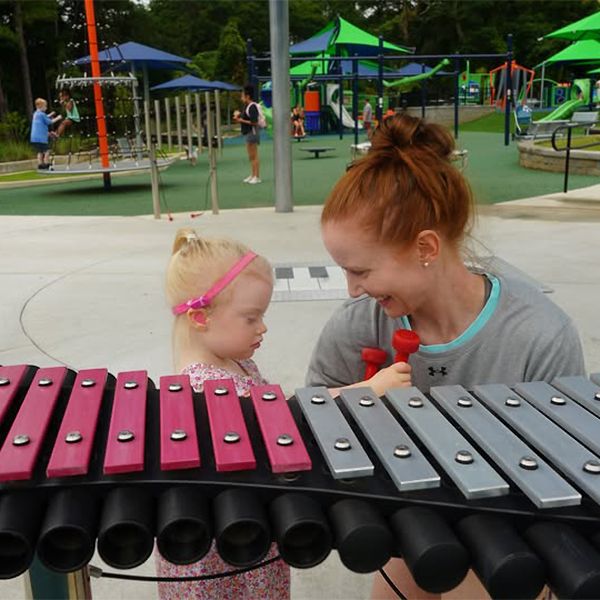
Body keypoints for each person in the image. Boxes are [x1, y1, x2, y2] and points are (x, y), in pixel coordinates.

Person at [305, 113, 585, 599]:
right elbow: (306, 424)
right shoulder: (358, 322)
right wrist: (356, 399)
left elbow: (567, 488)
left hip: (509, 534)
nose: (352, 289)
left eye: (361, 270)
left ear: (426, 248)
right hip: (406, 525)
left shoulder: (539, 334)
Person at [158, 228, 287, 598]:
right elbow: (282, 427)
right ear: (201, 318)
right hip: (224, 553)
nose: (262, 327)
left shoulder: (235, 363)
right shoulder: (204, 387)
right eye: (251, 318)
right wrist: (359, 393)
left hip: (247, 530)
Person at [234, 84, 261, 184]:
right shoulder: (247, 106)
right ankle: (253, 174)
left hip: (252, 132)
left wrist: (241, 120)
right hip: (248, 132)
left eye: (242, 95)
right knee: (251, 156)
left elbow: (254, 122)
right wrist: (239, 118)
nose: (241, 97)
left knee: (254, 155)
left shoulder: (252, 106)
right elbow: (244, 118)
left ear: (247, 96)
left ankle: (257, 176)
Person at [30, 98, 62, 169]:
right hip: (41, 138)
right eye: (45, 106)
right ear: (40, 106)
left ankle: (40, 164)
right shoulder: (42, 114)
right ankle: (46, 163)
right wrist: (58, 118)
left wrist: (50, 114)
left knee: (40, 151)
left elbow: (44, 118)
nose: (46, 108)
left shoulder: (36, 114)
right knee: (47, 151)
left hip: (34, 138)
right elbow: (49, 122)